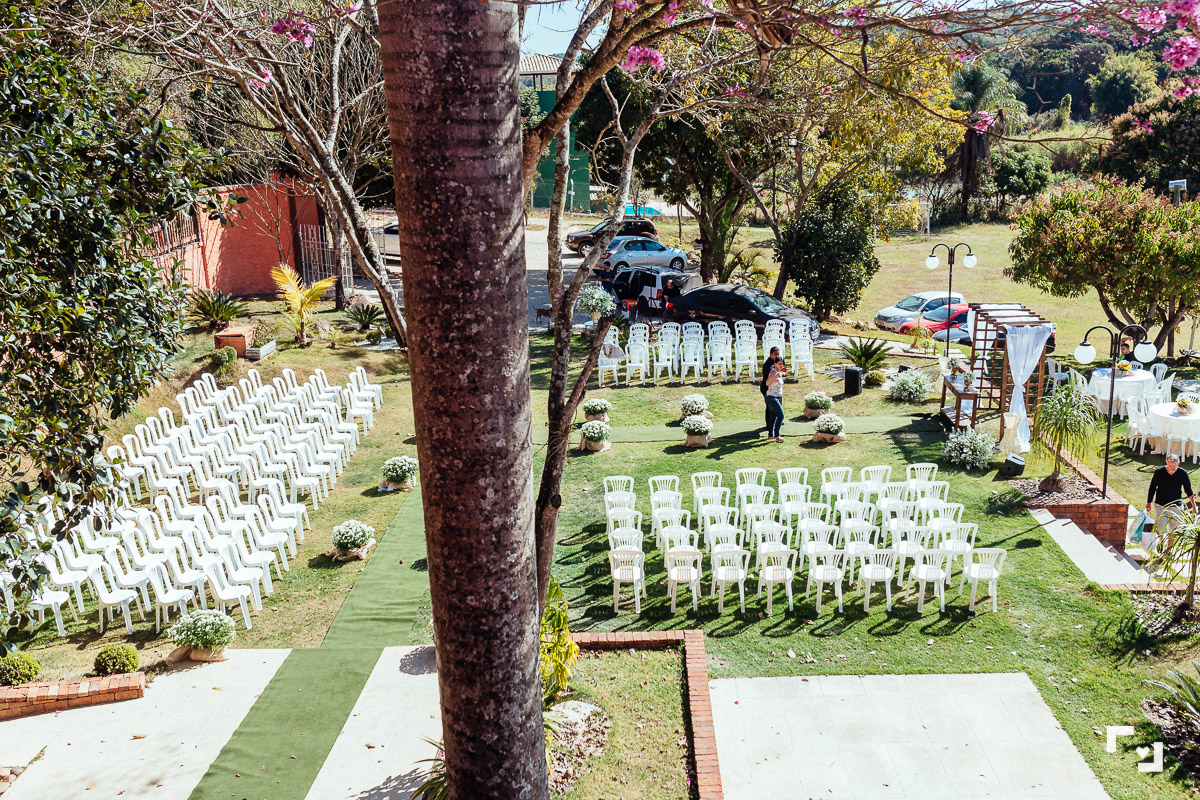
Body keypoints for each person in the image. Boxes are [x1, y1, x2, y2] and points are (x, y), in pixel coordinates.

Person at [1147, 453, 1197, 545]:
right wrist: (1148, 502)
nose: (1171, 469)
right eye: (1169, 466)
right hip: (1160, 505)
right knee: (1160, 528)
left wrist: (1194, 505)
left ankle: (1168, 551)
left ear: (1179, 463)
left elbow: (1188, 490)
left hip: (1176, 506)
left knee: (1174, 529)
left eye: (1174, 466)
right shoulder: (1159, 472)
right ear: (1166, 462)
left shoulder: (1183, 473)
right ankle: (1161, 543)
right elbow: (1152, 487)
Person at [763, 347, 786, 442]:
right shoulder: (773, 372)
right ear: (775, 364)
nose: (781, 365)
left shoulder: (779, 372)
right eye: (779, 364)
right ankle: (777, 435)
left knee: (773, 416)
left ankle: (770, 435)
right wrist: (776, 376)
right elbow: (767, 383)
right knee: (781, 416)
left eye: (782, 364)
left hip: (776, 397)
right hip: (771, 398)